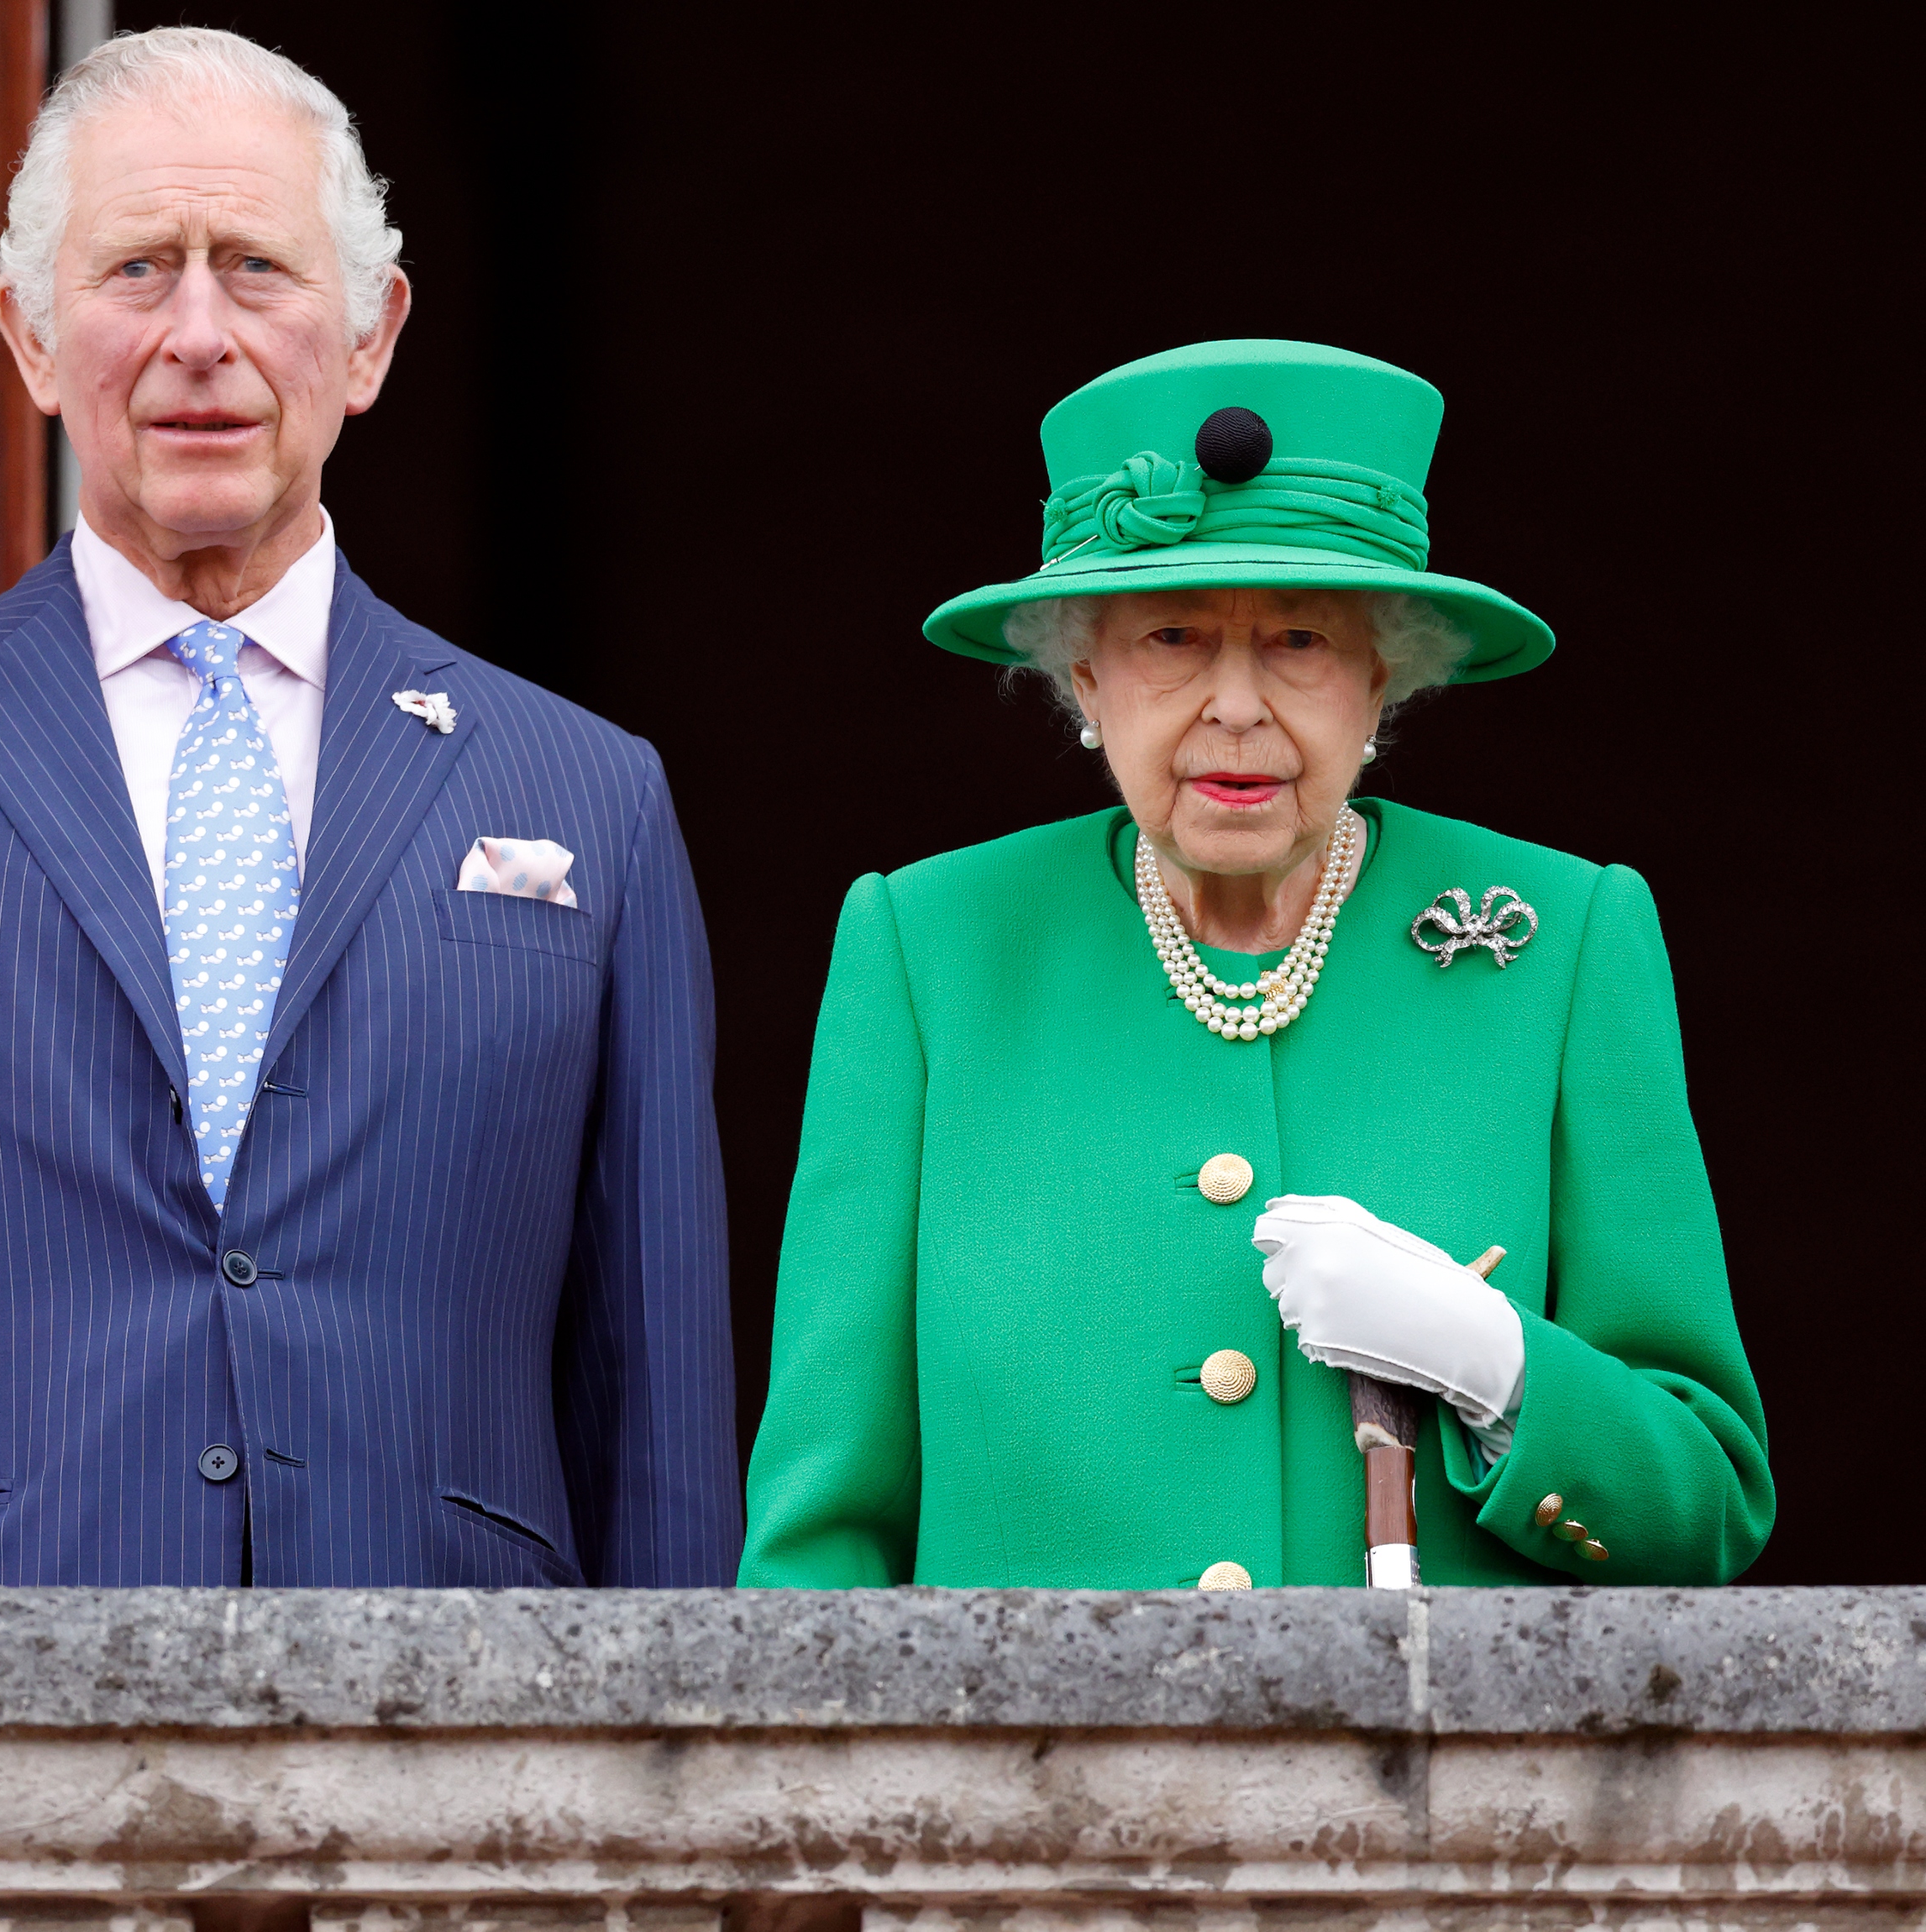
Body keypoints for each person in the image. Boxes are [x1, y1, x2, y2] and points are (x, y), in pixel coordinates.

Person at [0, 28, 737, 1586]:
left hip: (450, 1725)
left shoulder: (588, 798)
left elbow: (658, 1409)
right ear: (26, 338)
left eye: (258, 268)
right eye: (138, 268)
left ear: (370, 335)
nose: (198, 332)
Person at [743, 339, 1772, 1589]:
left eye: (1299, 641)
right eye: (1173, 636)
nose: (1236, 705)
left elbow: (1708, 1506)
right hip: (1024, 1777)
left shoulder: (1563, 940)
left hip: (1439, 1774)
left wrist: (1497, 1365)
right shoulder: (930, 948)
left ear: (1383, 677)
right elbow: (822, 1535)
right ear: (1086, 678)